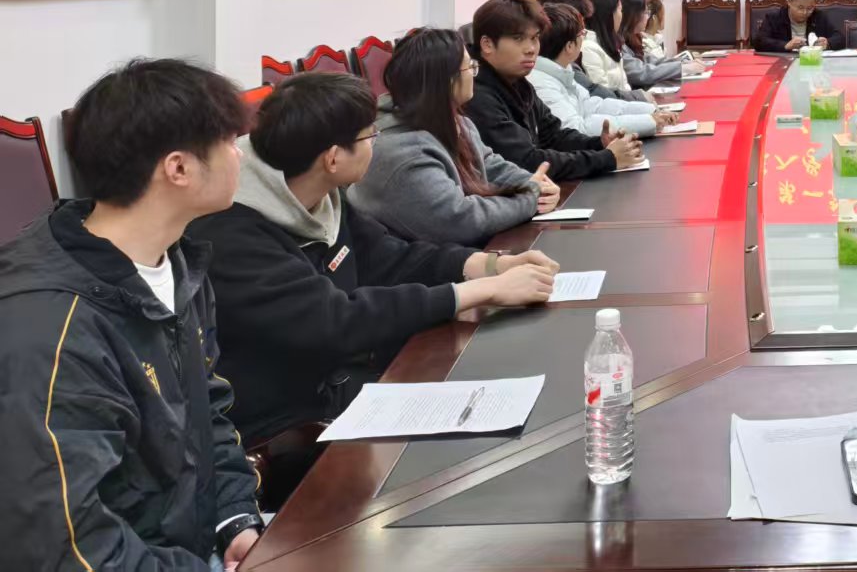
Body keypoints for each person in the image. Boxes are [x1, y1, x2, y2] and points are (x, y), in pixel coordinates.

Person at [191, 72, 558, 458]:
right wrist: (480, 291)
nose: (377, 143)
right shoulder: (231, 233)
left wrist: (489, 265)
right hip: (286, 423)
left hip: (343, 382)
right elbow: (336, 320)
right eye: (370, 135)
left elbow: (390, 257)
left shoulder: (324, 194)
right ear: (333, 158)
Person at [0, 59, 264, 570]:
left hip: (190, 549)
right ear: (178, 169)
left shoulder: (175, 261)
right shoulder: (52, 328)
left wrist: (235, 518)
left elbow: (206, 409)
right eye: (230, 142)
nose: (240, 155)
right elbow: (67, 547)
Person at [353, 28, 559, 245]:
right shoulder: (401, 153)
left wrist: (536, 185)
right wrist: (529, 198)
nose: (474, 74)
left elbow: (490, 164)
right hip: (425, 262)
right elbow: (461, 220)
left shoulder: (456, 122)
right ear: (447, 80)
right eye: (470, 67)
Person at [465, 0, 644, 182]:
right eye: (518, 39)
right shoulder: (476, 94)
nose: (531, 49)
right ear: (487, 44)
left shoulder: (518, 82)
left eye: (534, 38)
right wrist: (605, 159)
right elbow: (526, 161)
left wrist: (599, 143)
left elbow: (553, 136)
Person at [531, 3, 672, 138]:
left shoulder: (562, 71)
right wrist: (648, 121)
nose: (584, 38)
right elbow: (577, 129)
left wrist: (650, 112)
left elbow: (594, 106)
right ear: (569, 46)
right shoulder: (543, 84)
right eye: (582, 34)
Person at [539, 0, 650, 104]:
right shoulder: (587, 48)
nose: (583, 30)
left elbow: (591, 103)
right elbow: (597, 95)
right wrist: (640, 99)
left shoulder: (569, 64)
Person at [617, 0, 704, 89]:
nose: (648, 17)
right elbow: (641, 73)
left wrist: (682, 63)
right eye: (646, 12)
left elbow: (650, 61)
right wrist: (682, 68)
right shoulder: (618, 42)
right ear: (633, 16)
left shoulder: (632, 38)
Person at [752, 0, 848, 53]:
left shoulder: (819, 16)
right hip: (783, 64)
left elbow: (840, 38)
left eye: (810, 8)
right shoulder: (774, 17)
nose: (805, 12)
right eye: (800, 8)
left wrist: (827, 43)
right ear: (789, 2)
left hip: (812, 63)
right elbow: (759, 42)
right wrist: (785, 45)